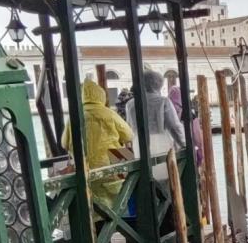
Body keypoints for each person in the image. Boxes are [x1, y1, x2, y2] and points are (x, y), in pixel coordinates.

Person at [64, 78, 133, 212]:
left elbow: (64, 143)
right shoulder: (109, 113)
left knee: (91, 208)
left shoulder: (74, 116)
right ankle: (112, 226)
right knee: (113, 207)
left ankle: (97, 229)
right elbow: (128, 135)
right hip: (110, 167)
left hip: (84, 169)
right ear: (101, 96)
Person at [127, 68, 185, 160]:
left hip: (138, 142)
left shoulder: (130, 104)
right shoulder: (163, 101)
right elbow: (174, 127)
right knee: (163, 171)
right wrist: (184, 145)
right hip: (160, 142)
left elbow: (129, 127)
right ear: (157, 84)